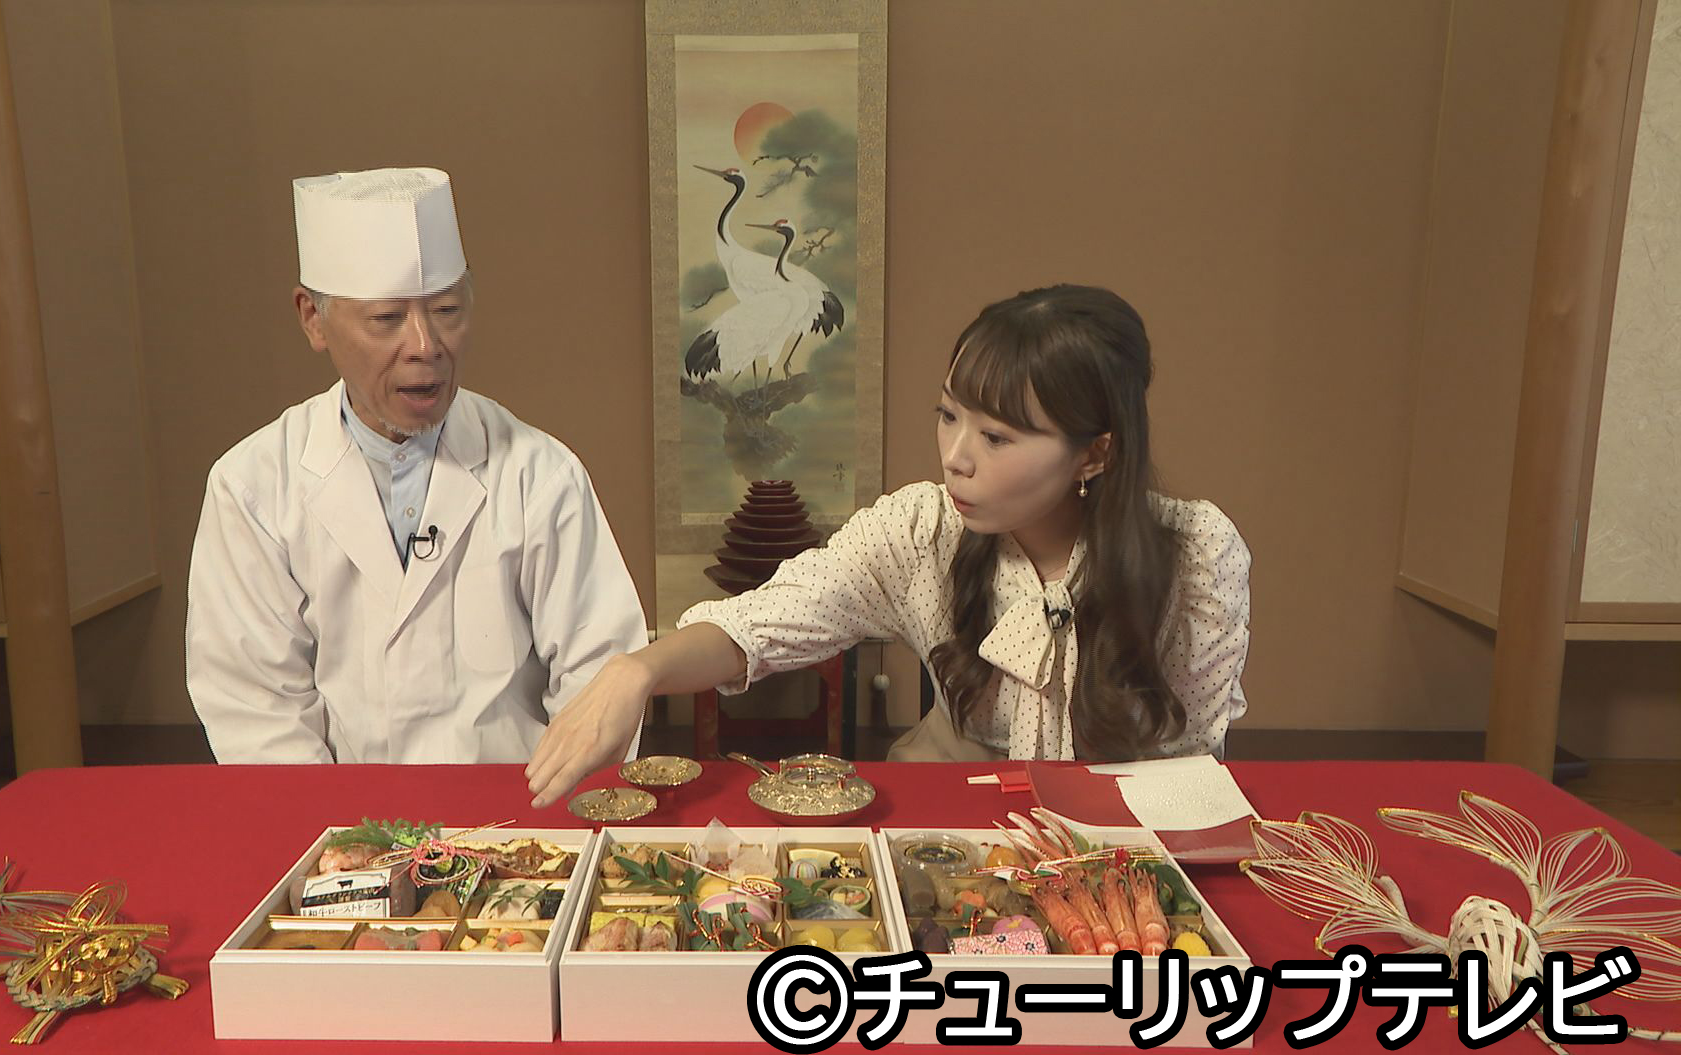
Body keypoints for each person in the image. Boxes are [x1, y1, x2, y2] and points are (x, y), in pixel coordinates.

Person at [527, 284, 1250, 807]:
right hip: (953, 829)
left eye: (996, 437)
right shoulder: (921, 530)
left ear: (1093, 453)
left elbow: (1189, 768)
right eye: (948, 415)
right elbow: (764, 622)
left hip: (1127, 845)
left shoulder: (1197, 555)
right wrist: (638, 670)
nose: (956, 457)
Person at [187, 166, 646, 764]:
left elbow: (600, 677)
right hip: (334, 815)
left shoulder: (540, 475)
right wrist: (339, 824)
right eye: (386, 320)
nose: (426, 346)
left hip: (517, 809)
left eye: (447, 310)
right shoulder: (253, 487)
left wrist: (547, 810)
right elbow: (255, 707)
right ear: (313, 318)